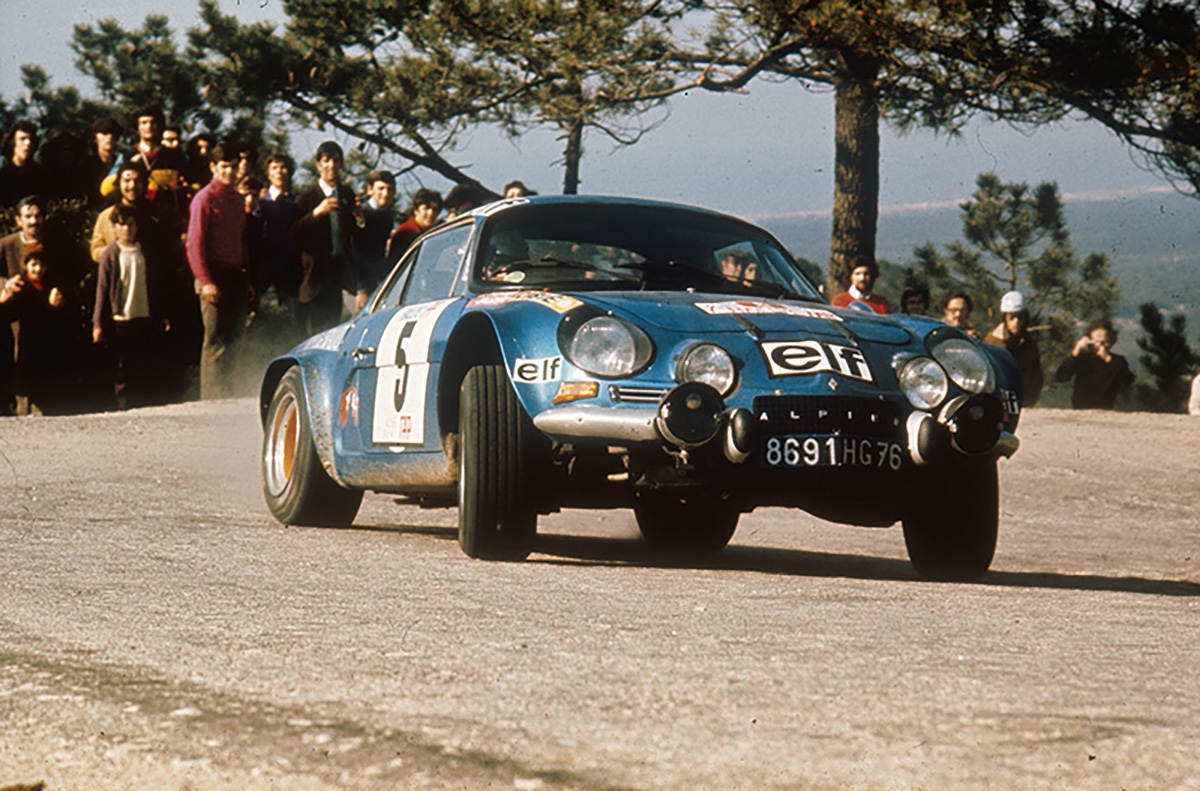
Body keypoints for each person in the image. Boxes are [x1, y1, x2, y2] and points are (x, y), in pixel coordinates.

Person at [93, 204, 177, 410]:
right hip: (121, 318)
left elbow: (156, 284)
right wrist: (97, 323)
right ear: (114, 227)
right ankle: (123, 406)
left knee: (143, 363)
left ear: (137, 226)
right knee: (122, 366)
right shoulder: (110, 254)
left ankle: (143, 406)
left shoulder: (144, 251)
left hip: (143, 315)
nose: (126, 229)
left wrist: (163, 313)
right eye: (121, 225)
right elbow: (102, 289)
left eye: (130, 225)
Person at [186, 144, 250, 399]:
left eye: (233, 166)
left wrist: (247, 277)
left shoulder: (237, 200)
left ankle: (231, 394)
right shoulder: (204, 198)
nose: (229, 172)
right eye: (224, 166)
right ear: (213, 167)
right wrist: (205, 281)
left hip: (236, 274)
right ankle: (212, 399)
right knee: (215, 341)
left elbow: (242, 240)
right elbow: (194, 243)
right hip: (212, 275)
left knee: (235, 338)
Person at [290, 140, 363, 334]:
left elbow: (353, 236)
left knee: (332, 329)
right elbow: (293, 234)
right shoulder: (305, 198)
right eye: (326, 160)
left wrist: (360, 220)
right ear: (318, 165)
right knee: (311, 331)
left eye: (336, 160)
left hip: (338, 274)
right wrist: (316, 213)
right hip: (313, 276)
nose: (331, 165)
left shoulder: (346, 194)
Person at [0, 244, 73, 415]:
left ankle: (40, 412)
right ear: (26, 265)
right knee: (24, 386)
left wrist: (57, 306)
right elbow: (7, 314)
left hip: (48, 345)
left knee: (44, 388)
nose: (38, 269)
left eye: (41, 265)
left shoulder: (51, 286)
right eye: (33, 265)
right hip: (28, 345)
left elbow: (62, 318)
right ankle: (23, 410)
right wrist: (3, 302)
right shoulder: (21, 286)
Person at [1055, 318, 1134, 410]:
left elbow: (1127, 382)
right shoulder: (1081, 359)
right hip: (1081, 410)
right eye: (1096, 341)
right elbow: (1061, 377)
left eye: (1104, 342)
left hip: (1106, 410)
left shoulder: (1117, 361)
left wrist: (1107, 358)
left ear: (1112, 341)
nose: (1099, 345)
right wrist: (1075, 353)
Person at [983, 290, 1044, 407]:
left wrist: (1031, 399)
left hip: (1025, 402)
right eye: (1012, 317)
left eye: (1020, 317)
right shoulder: (992, 342)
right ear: (1005, 318)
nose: (1016, 322)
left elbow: (1036, 375)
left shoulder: (1028, 343)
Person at [354, 170, 397, 301]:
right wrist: (360, 289)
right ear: (370, 190)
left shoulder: (387, 216)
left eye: (390, 189)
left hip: (375, 280)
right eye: (381, 189)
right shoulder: (360, 214)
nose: (386, 193)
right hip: (357, 284)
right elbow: (353, 253)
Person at [386, 187, 442, 266]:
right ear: (416, 211)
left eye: (435, 209)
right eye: (426, 208)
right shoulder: (406, 233)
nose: (431, 213)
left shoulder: (430, 232)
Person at [0, 121, 50, 208]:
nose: (28, 143)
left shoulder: (43, 176)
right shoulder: (3, 176)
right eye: (22, 139)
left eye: (31, 139)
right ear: (12, 142)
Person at [84, 117, 123, 209]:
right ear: (95, 138)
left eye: (113, 133)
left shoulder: (122, 163)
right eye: (104, 133)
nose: (109, 137)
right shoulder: (86, 167)